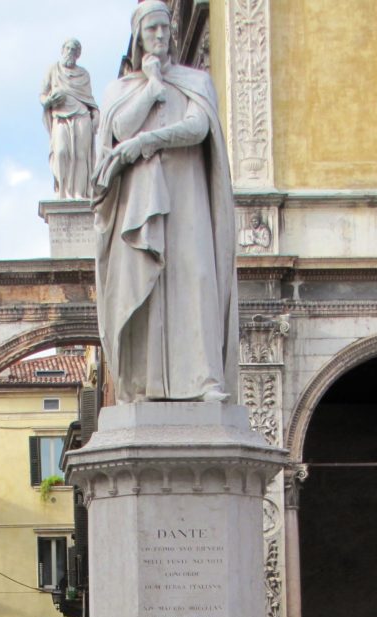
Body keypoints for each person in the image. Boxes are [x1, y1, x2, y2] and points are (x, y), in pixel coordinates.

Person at [92, 1, 238, 404]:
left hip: (188, 197)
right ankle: (144, 384)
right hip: (139, 203)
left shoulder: (196, 81)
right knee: (145, 286)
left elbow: (198, 127)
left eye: (164, 28)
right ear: (138, 38)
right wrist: (152, 87)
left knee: (196, 278)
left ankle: (204, 380)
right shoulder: (120, 90)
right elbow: (119, 128)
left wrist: (147, 141)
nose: (159, 35)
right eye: (151, 29)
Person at [40, 39, 99, 199]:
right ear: (62, 50)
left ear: (78, 54)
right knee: (60, 152)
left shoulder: (84, 74)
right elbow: (42, 95)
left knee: (81, 155)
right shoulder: (54, 70)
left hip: (82, 115)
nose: (70, 52)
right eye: (68, 48)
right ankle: (62, 193)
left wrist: (96, 114)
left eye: (74, 50)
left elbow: (89, 99)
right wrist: (49, 101)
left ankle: (79, 193)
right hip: (60, 116)